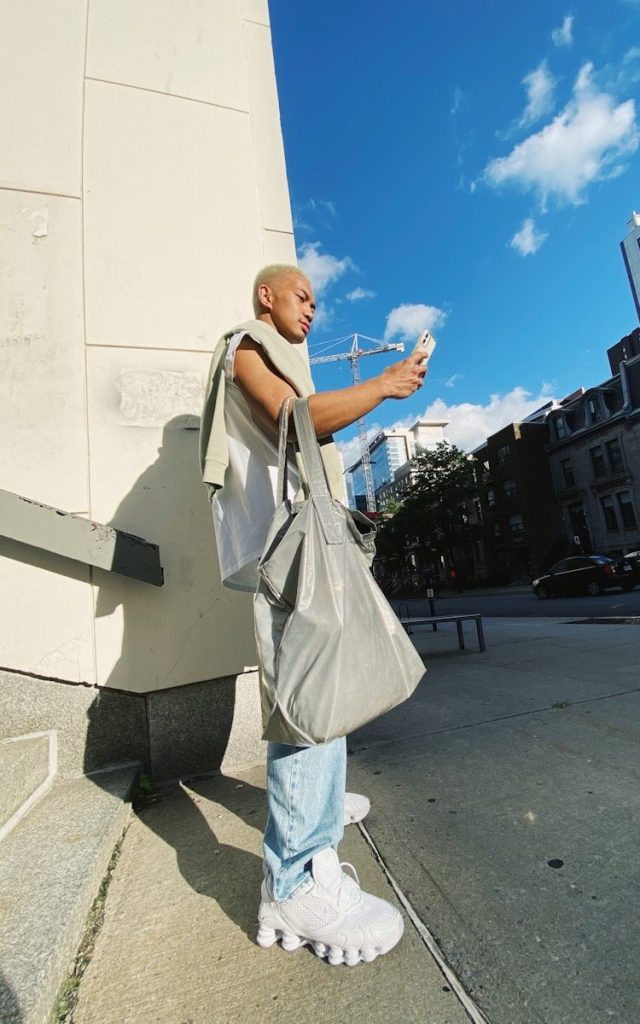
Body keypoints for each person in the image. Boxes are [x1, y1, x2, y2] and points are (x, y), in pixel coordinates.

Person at [200, 264, 427, 966]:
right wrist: (384, 387)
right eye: (304, 297)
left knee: (317, 684)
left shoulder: (278, 353)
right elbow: (291, 419)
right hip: (284, 549)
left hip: (295, 543)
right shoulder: (245, 343)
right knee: (304, 697)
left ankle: (318, 815)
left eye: (318, 302)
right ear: (267, 296)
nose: (314, 310)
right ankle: (294, 881)